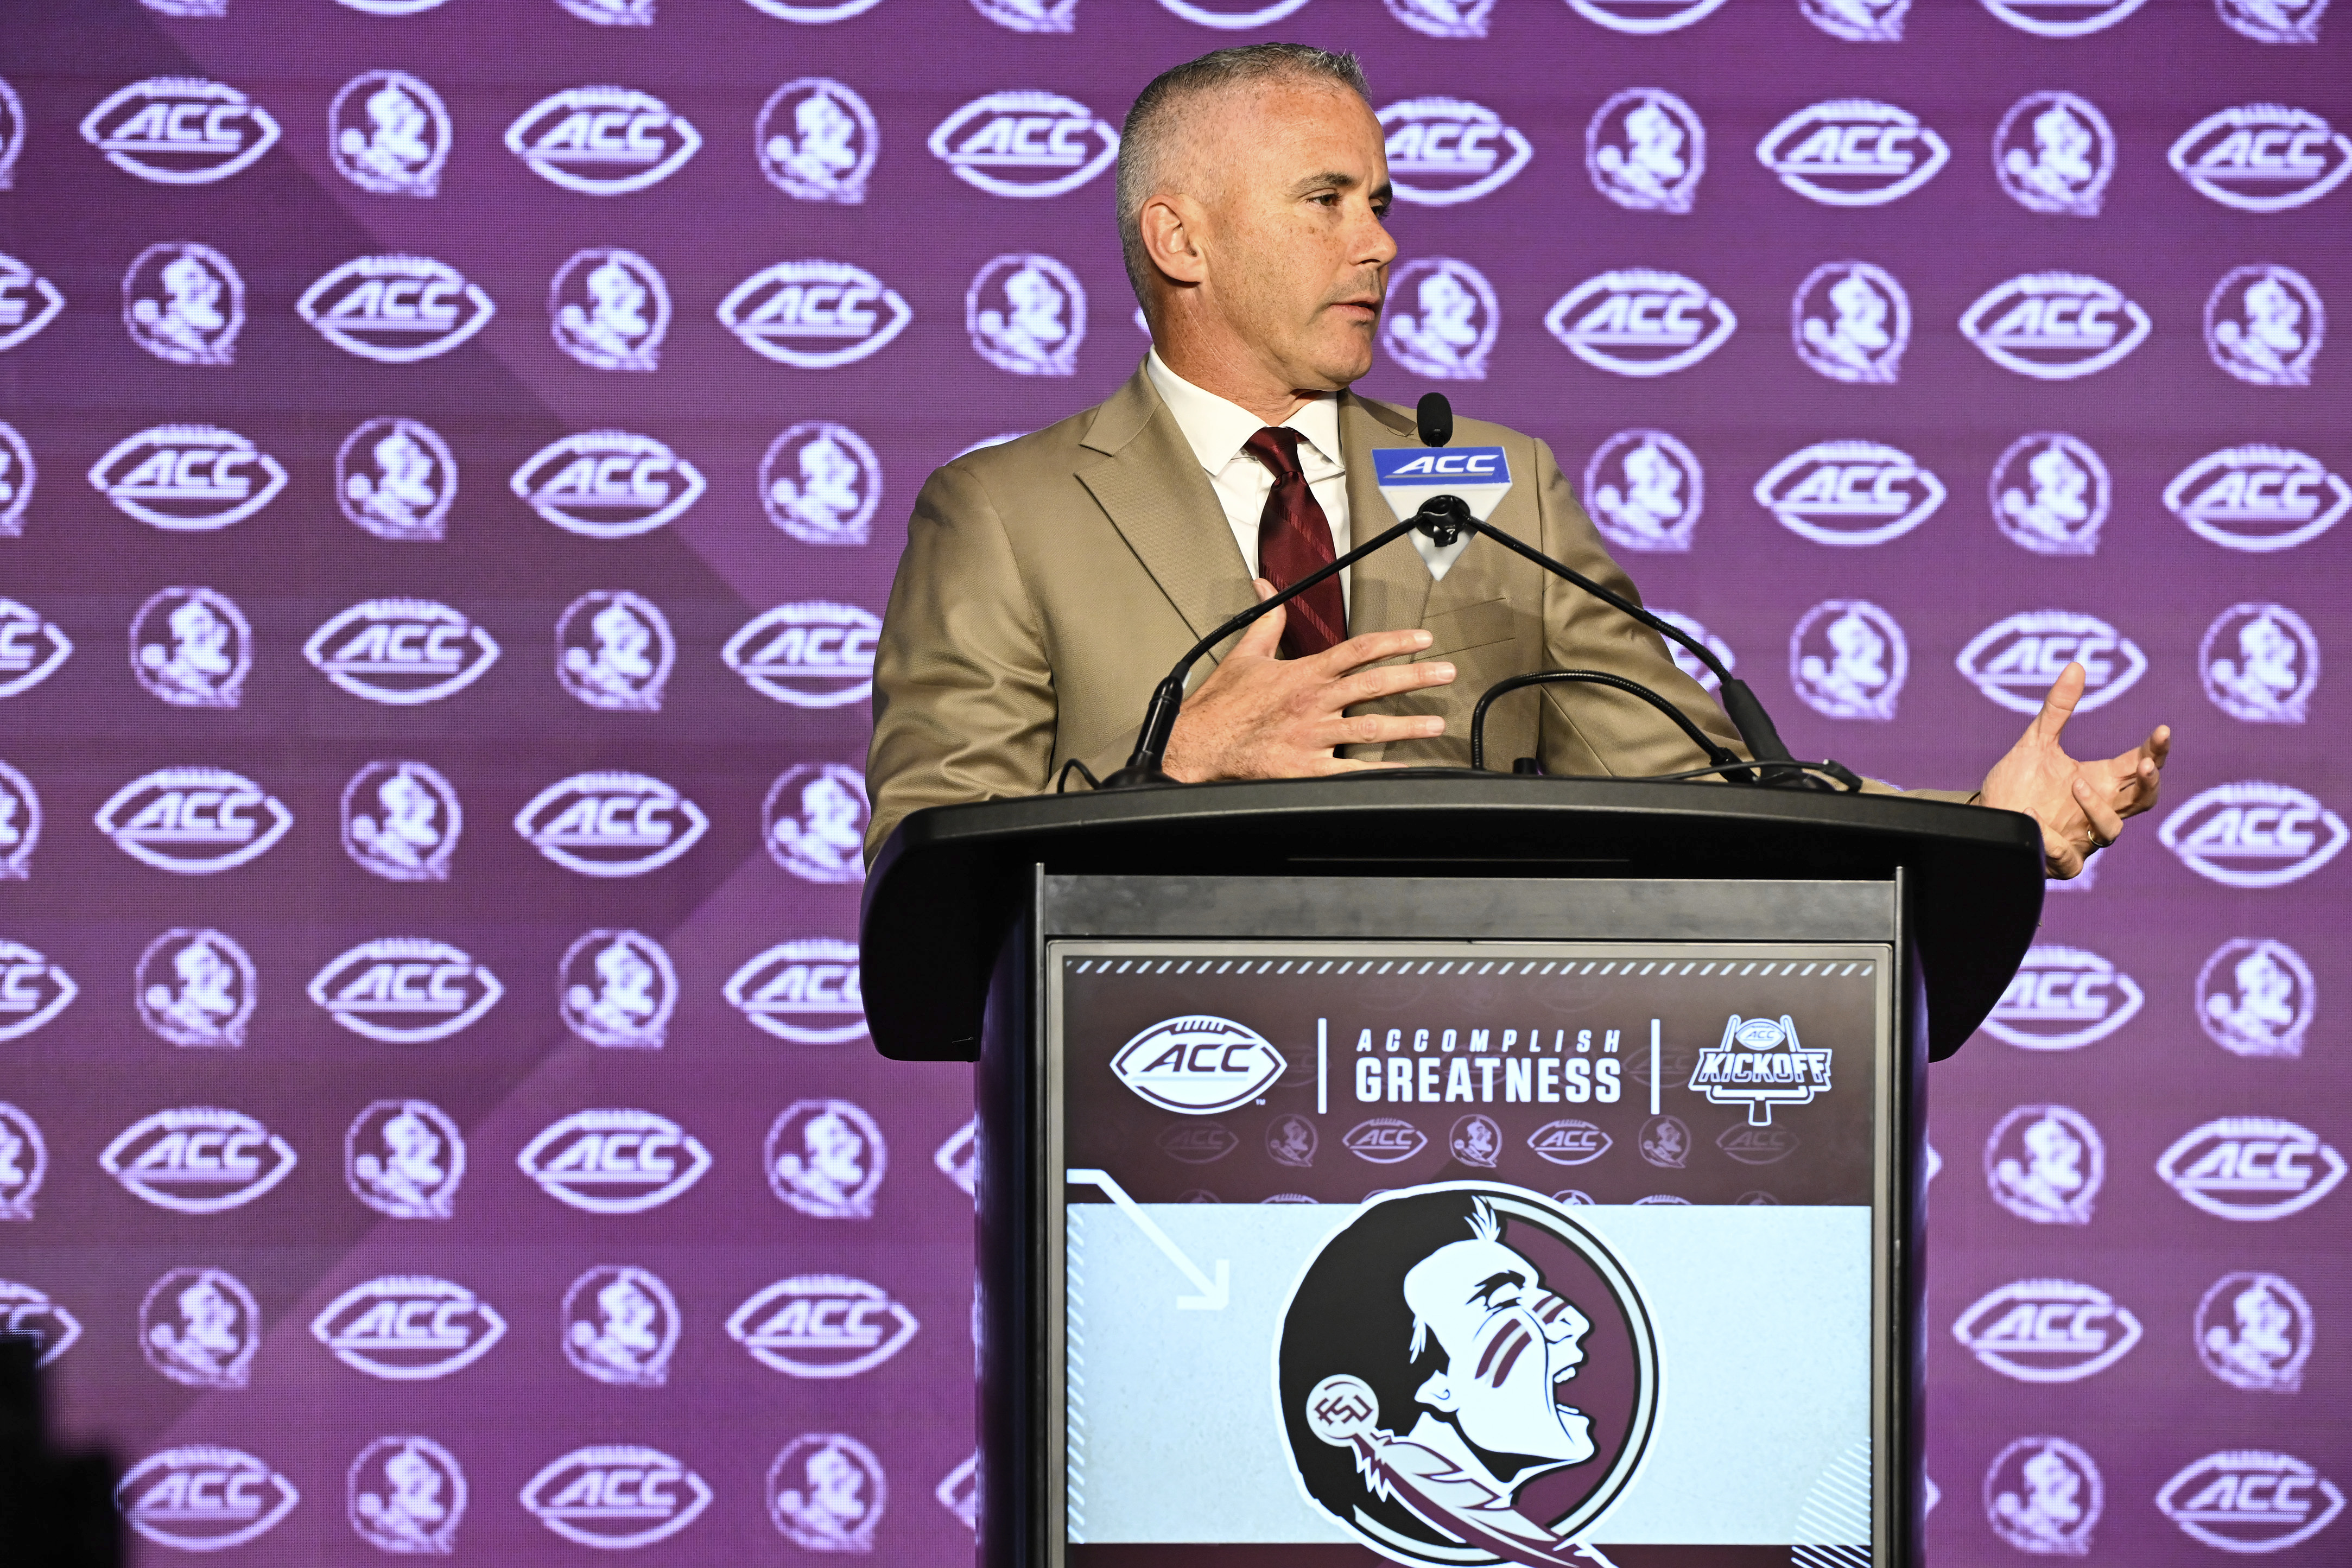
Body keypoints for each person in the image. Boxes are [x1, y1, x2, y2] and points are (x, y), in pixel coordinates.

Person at [866, 45, 2167, 876]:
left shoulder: (1497, 481)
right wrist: (1169, 771)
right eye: (1326, 201)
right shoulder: (1005, 514)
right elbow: (924, 858)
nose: (1377, 243)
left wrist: (1983, 823)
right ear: (1181, 240)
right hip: (1151, 1115)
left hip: (1478, 1089)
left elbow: (1697, 781)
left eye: (1382, 203)